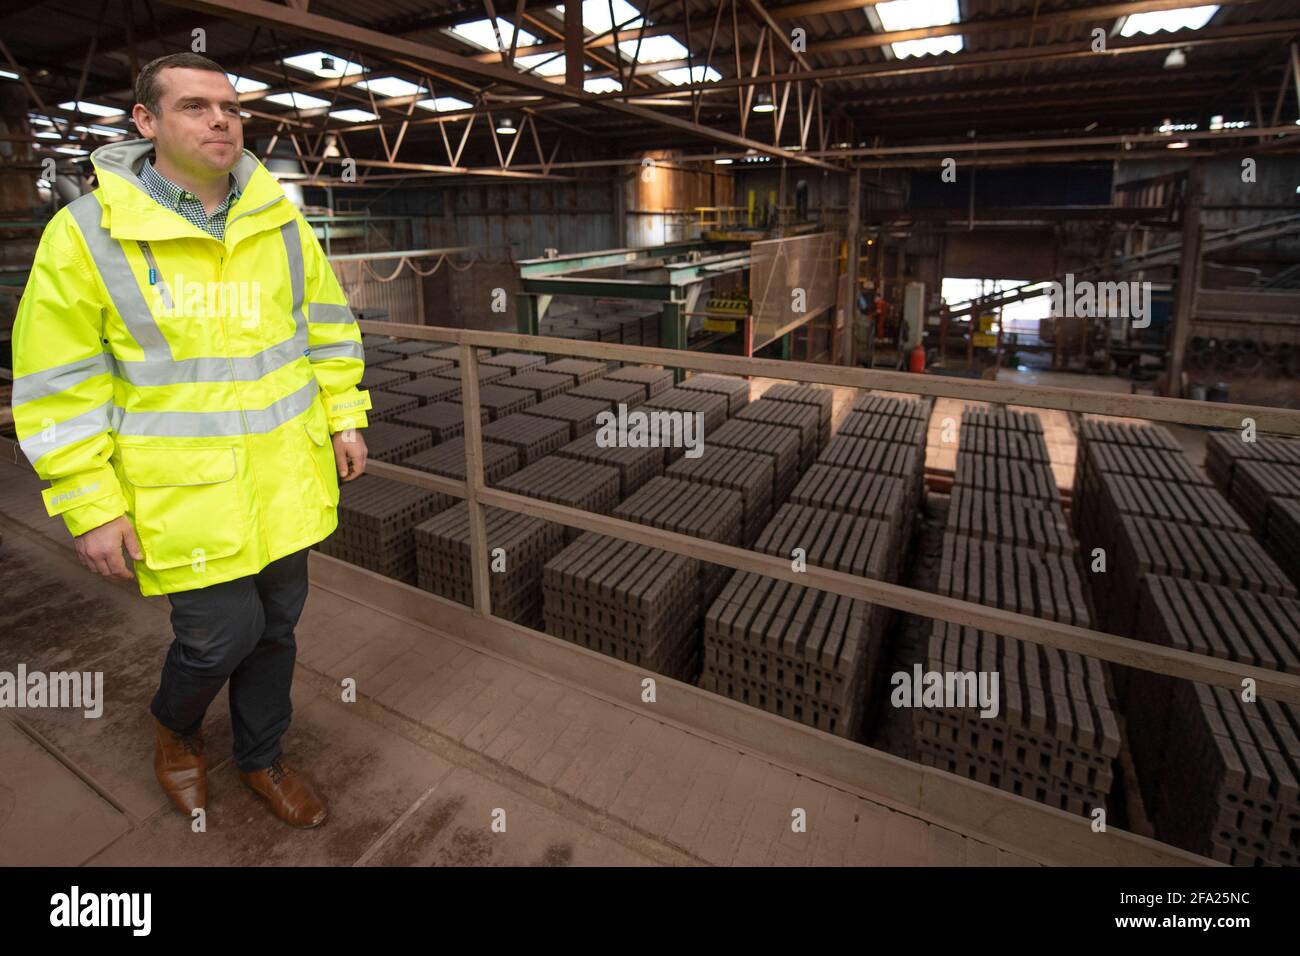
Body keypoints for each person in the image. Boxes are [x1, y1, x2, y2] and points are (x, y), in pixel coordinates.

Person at [10, 52, 372, 828]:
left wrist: (344, 415)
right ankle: (175, 730)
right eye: (195, 107)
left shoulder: (279, 221)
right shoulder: (87, 236)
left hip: (285, 479)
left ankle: (262, 757)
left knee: (275, 632)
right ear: (145, 122)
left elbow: (327, 329)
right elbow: (59, 386)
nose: (220, 120)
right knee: (218, 639)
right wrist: (88, 503)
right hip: (185, 492)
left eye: (230, 108)